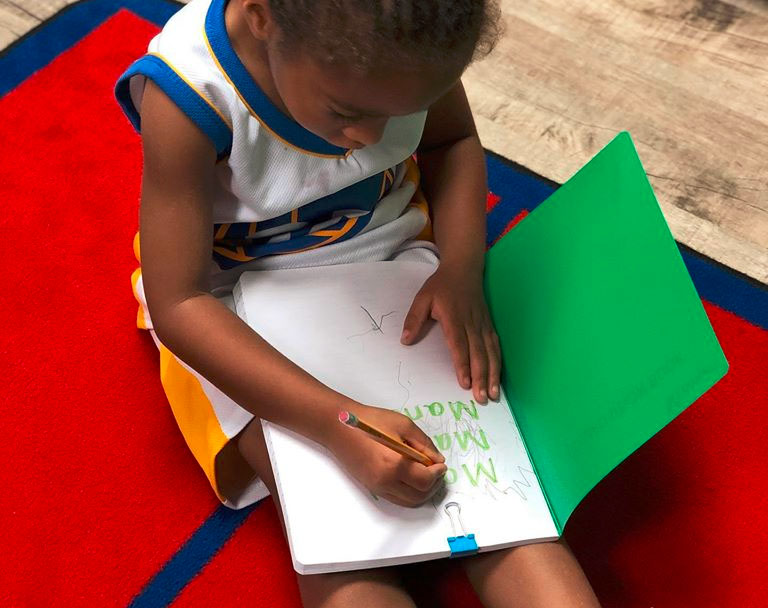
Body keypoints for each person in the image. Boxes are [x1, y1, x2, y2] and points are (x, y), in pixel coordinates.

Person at [116, 0, 601, 605]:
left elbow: (453, 141)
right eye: (347, 112)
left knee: (504, 503)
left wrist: (460, 268)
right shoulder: (190, 95)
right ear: (262, 16)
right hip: (230, 305)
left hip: (390, 265)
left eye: (403, 112)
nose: (370, 139)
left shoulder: (410, 50)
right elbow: (180, 302)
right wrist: (336, 422)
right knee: (342, 539)